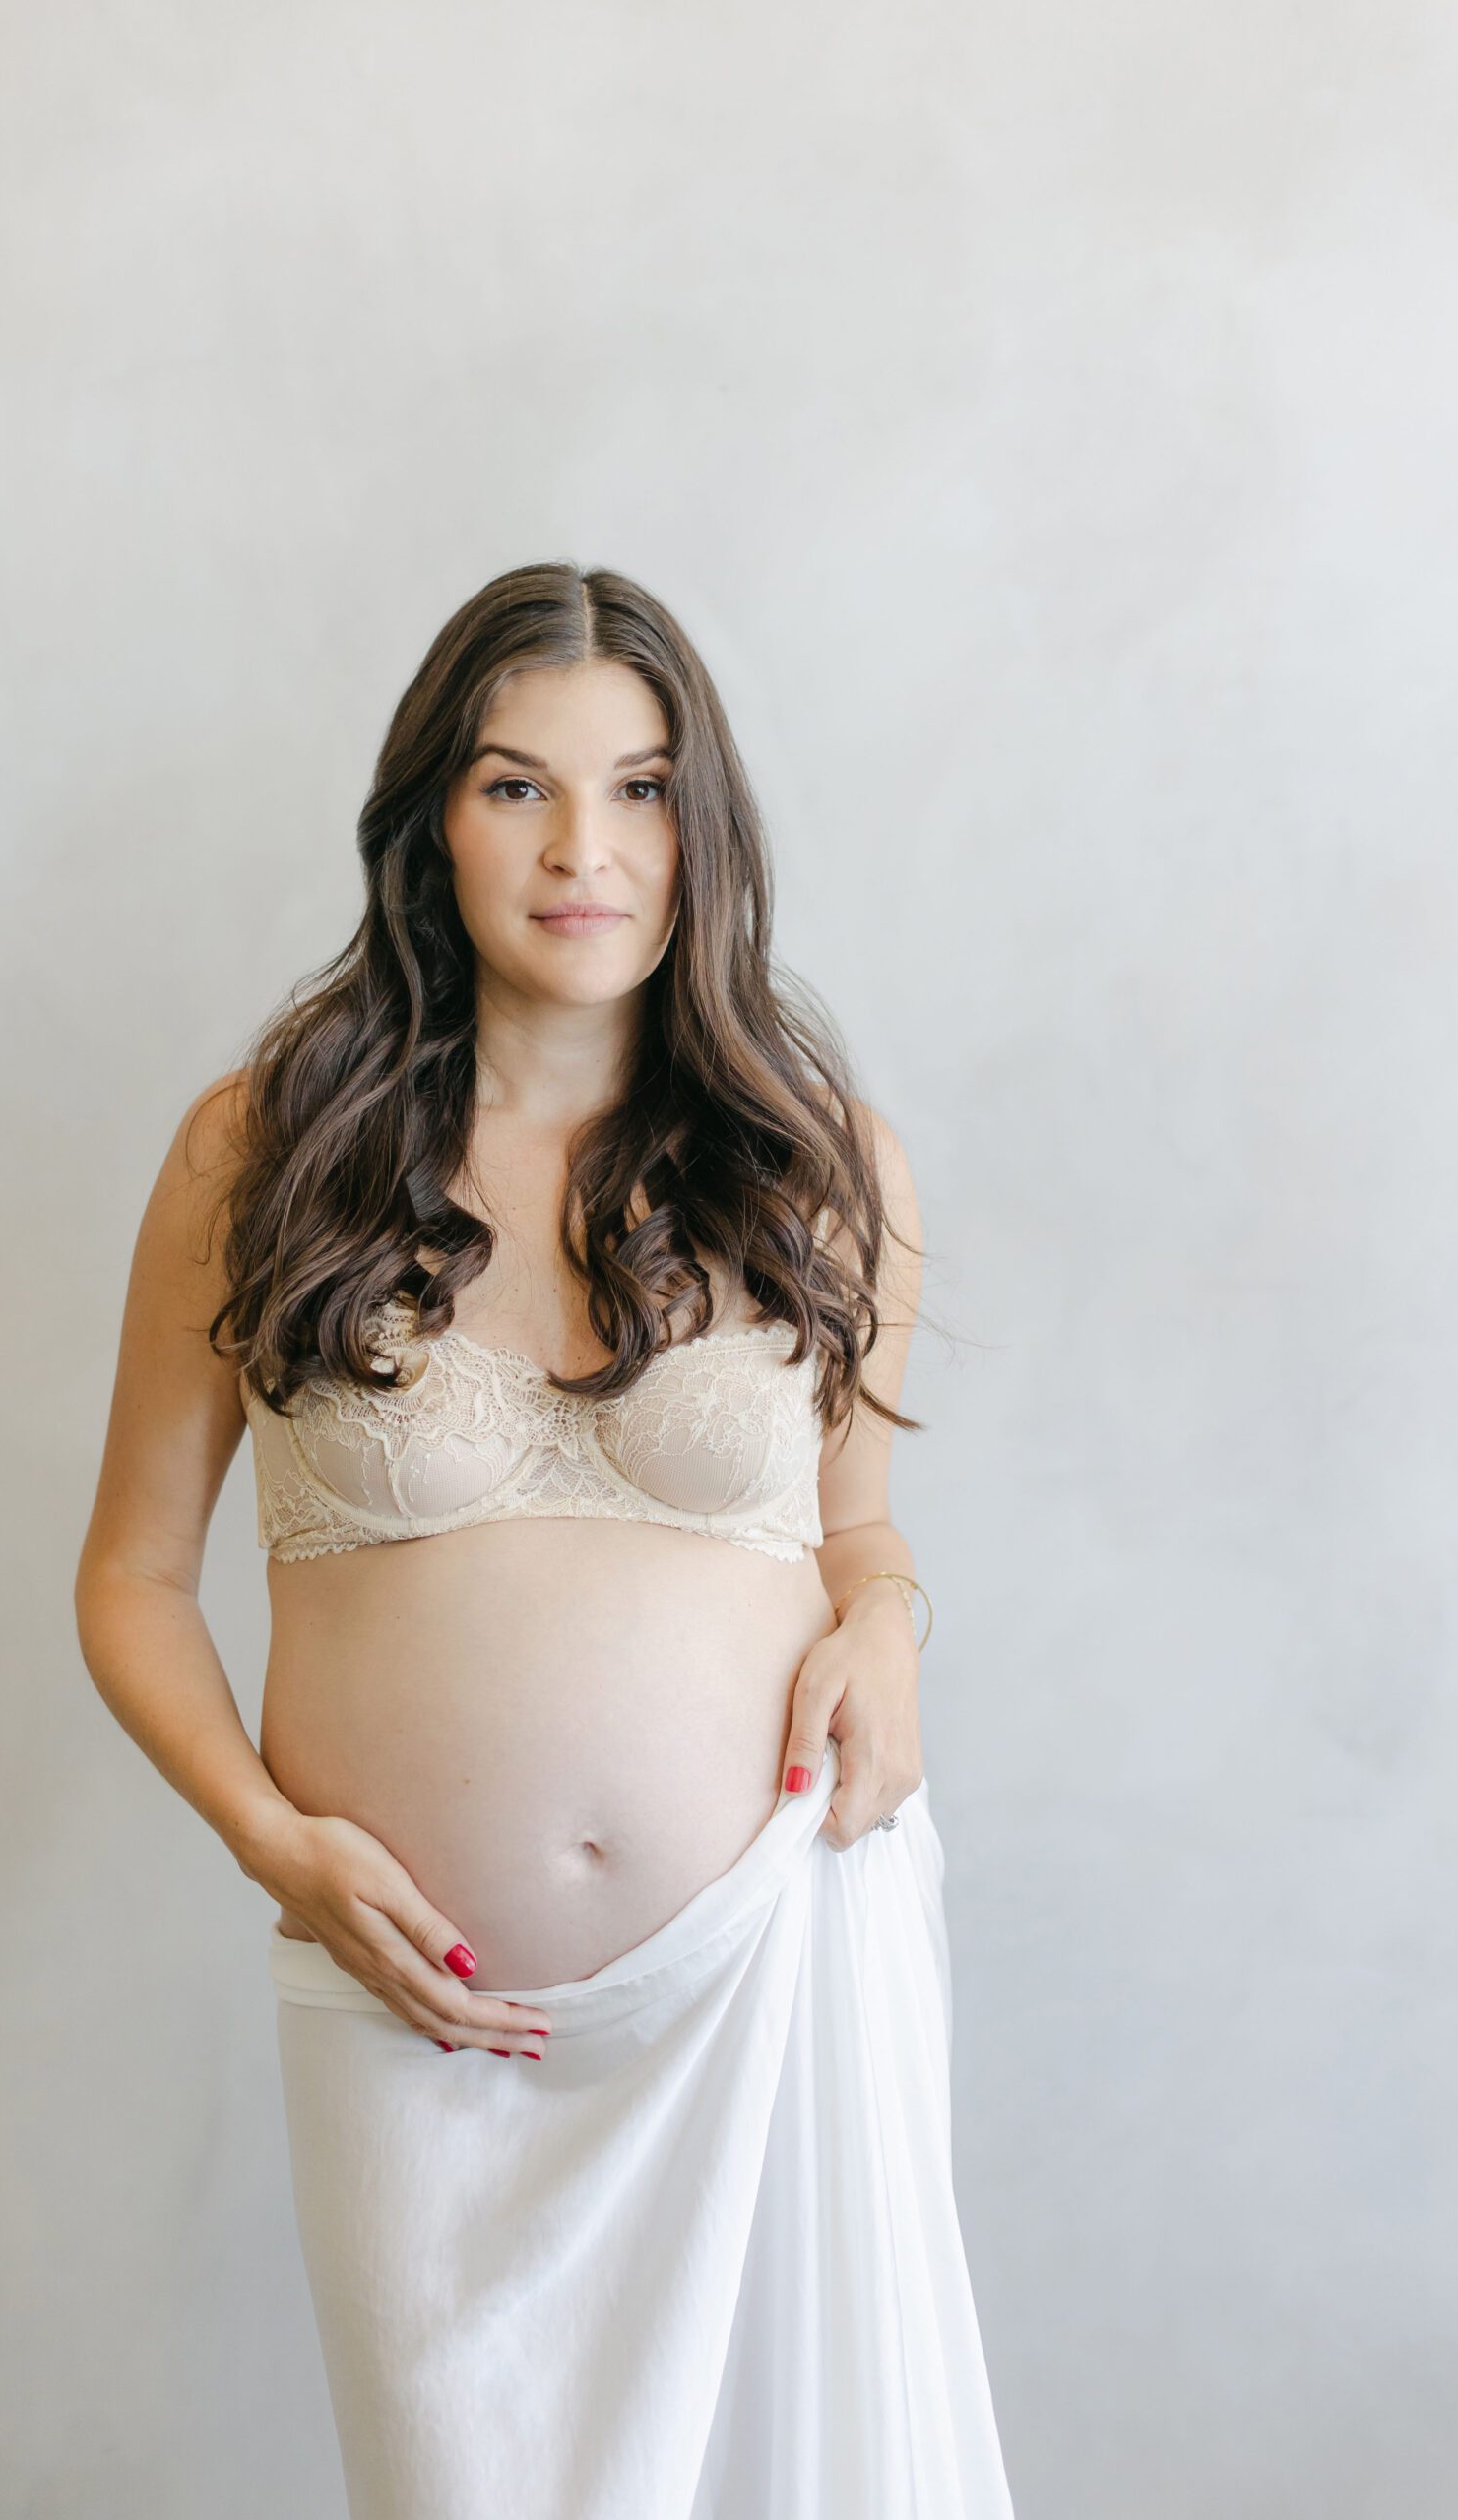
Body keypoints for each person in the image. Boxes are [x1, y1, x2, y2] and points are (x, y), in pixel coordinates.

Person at [73, 561, 1017, 2519]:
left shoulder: (817, 1162)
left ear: (706, 827)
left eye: (641, 786)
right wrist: (275, 1843)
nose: (583, 848)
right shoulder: (256, 1151)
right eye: (516, 786)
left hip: (776, 1963)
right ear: (430, 817)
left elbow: (855, 1526)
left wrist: (889, 1627)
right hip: (427, 2016)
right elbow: (132, 1576)